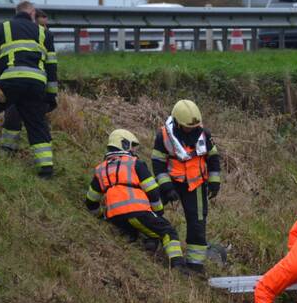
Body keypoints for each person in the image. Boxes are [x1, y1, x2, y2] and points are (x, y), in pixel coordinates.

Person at [0, 0, 58, 176]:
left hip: (10, 81)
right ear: (33, 13)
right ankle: (46, 170)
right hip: (36, 84)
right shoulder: (44, 33)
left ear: (15, 11)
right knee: (37, 125)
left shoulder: (2, 28)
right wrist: (51, 96)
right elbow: (51, 68)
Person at [85, 128, 186, 270]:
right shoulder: (135, 163)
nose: (133, 150)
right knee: (168, 231)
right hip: (138, 212)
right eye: (132, 146)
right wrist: (158, 212)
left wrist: (102, 216)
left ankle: (147, 244)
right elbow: (153, 191)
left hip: (114, 217)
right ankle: (178, 266)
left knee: (138, 230)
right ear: (124, 145)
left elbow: (91, 201)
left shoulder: (101, 169)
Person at [151, 99, 221, 275]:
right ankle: (149, 240)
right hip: (171, 181)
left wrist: (214, 182)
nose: (192, 129)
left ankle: (195, 264)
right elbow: (158, 163)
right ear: (177, 123)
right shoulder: (164, 137)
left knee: (197, 222)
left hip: (195, 184)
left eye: (195, 126)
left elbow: (213, 157)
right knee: (152, 206)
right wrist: (167, 187)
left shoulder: (204, 134)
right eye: (188, 127)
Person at [0, 9, 48, 152]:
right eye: (42, 25)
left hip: (32, 82)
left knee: (33, 120)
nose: (45, 29)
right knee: (14, 114)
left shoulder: (41, 36)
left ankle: (9, 148)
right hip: (21, 80)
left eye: (46, 26)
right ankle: (8, 148)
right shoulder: (30, 36)